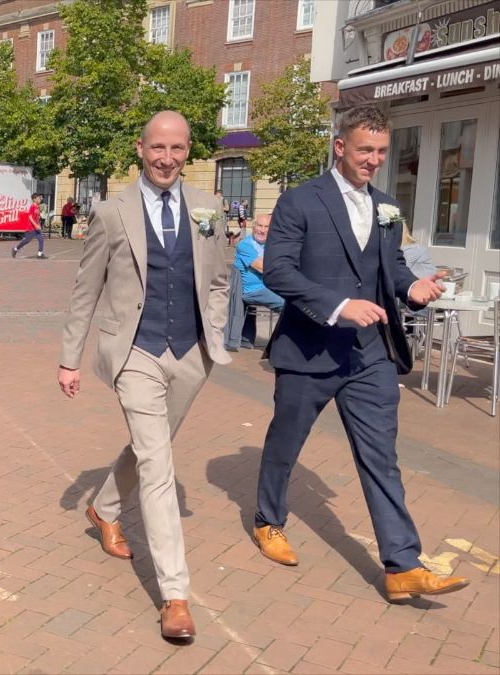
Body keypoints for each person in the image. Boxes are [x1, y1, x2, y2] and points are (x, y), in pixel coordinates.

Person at [252, 105, 467, 602]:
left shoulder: (388, 208)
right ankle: (268, 521)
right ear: (341, 146)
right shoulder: (300, 202)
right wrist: (339, 306)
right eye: (366, 150)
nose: (374, 160)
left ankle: (402, 565)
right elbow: (279, 271)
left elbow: (389, 268)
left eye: (382, 152)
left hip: (370, 354)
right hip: (309, 349)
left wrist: (413, 287)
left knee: (381, 457)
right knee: (286, 444)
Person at [58, 110, 230, 641]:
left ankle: (104, 508)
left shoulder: (210, 208)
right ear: (141, 148)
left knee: (147, 445)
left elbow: (221, 277)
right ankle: (175, 595)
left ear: (188, 151)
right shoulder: (112, 212)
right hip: (135, 350)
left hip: (192, 353)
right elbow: (87, 288)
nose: (167, 158)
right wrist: (70, 357)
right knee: (159, 463)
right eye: (158, 147)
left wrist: (215, 332)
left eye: (177, 149)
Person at [235, 213, 285, 346]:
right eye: (259, 226)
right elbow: (263, 268)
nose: (262, 230)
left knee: (300, 300)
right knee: (289, 305)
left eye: (266, 227)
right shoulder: (245, 245)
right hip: (253, 290)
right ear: (253, 226)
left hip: (271, 287)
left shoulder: (273, 244)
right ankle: (280, 346)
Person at [12, 193, 47, 259]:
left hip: (37, 228)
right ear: (34, 200)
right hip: (31, 228)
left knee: (41, 239)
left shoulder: (37, 206)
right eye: (38, 198)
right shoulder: (32, 207)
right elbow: (30, 217)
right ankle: (15, 249)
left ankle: (39, 254)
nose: (40, 199)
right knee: (27, 241)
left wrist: (39, 225)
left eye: (40, 198)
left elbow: (37, 217)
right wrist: (36, 225)